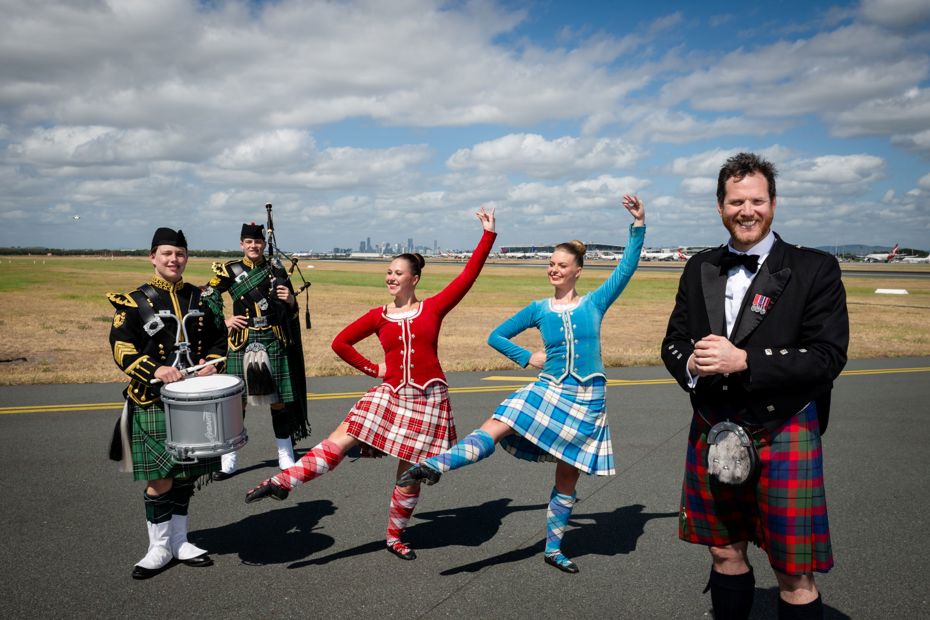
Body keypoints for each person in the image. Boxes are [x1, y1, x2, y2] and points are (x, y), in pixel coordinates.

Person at [398, 195, 646, 573]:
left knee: (567, 476)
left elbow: (626, 268)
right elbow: (496, 336)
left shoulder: (595, 303)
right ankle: (435, 465)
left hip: (586, 398)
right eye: (551, 264)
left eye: (562, 265)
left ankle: (553, 549)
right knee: (495, 426)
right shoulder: (539, 308)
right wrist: (527, 358)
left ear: (579, 270)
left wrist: (638, 227)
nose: (554, 270)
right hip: (546, 389)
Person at [245, 207, 498, 561]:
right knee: (340, 440)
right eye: (388, 273)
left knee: (408, 475)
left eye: (397, 273)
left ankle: (395, 537)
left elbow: (468, 276)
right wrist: (372, 368)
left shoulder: (433, 308)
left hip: (427, 399)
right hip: (389, 394)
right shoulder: (378, 316)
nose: (391, 278)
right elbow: (340, 343)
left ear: (414, 278)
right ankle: (283, 482)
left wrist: (488, 235)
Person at [661, 153, 848, 619]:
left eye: (757, 201)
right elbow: (673, 342)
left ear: (774, 203)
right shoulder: (699, 266)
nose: (747, 210)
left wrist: (745, 361)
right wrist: (693, 367)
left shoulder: (815, 268)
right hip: (712, 423)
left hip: (783, 427)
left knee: (793, 571)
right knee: (723, 551)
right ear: (720, 206)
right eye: (736, 201)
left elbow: (827, 358)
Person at [107, 227, 228, 579]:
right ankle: (158, 547)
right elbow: (121, 348)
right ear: (153, 257)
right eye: (167, 254)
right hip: (152, 399)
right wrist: (155, 369)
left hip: (192, 399)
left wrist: (213, 361)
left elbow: (219, 337)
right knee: (161, 477)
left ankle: (180, 540)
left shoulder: (200, 297)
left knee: (186, 474)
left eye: (180, 254)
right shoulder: (133, 302)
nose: (174, 260)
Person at [203, 222, 310, 479]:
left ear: (263, 244)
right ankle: (228, 459)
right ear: (241, 244)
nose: (254, 246)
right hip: (242, 339)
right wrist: (225, 320)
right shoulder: (228, 270)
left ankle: (285, 453)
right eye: (249, 242)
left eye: (258, 242)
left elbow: (288, 309)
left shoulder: (275, 268)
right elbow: (207, 295)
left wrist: (292, 300)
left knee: (278, 401)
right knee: (236, 402)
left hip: (273, 338)